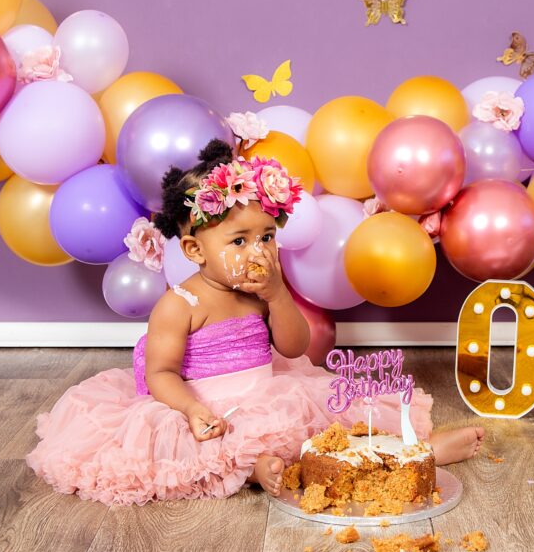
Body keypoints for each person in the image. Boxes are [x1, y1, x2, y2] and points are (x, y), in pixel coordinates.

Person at [26, 139, 484, 506]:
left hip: (268, 396)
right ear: (195, 251)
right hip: (206, 408)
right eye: (239, 241)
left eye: (266, 237)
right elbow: (160, 372)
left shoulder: (260, 292)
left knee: (327, 428)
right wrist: (192, 411)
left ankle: (414, 451)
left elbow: (294, 348)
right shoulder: (179, 304)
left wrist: (278, 295)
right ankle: (254, 471)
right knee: (213, 449)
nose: (258, 251)